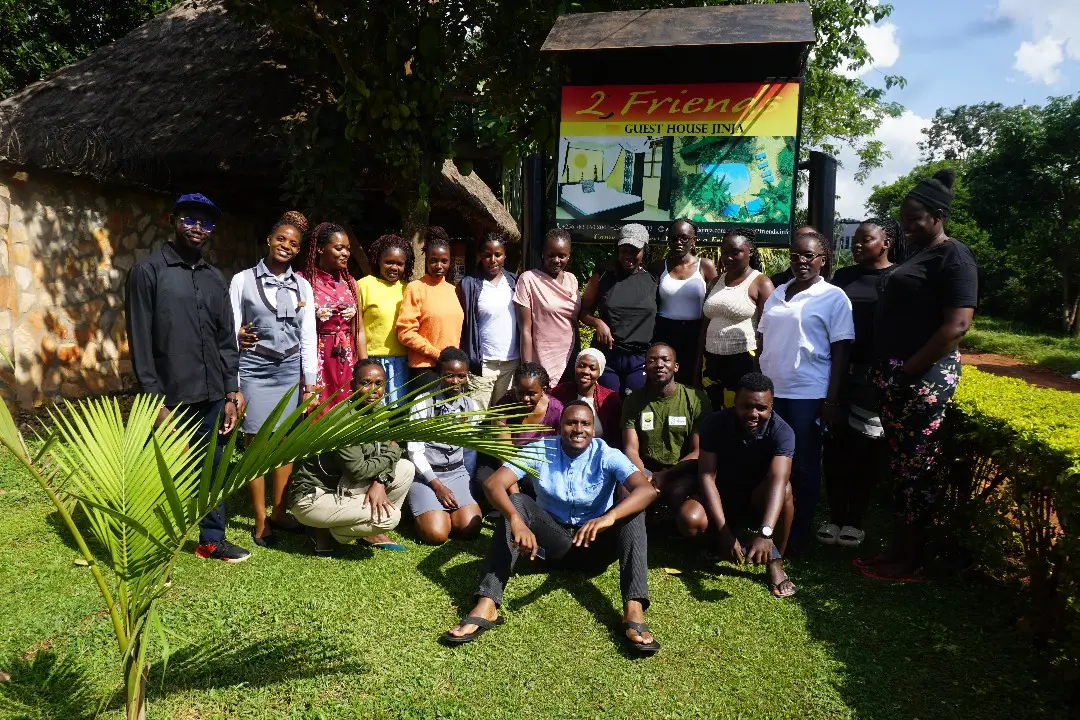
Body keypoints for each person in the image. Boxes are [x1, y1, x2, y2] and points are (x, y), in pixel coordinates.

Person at [442, 401, 661, 654]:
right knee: (516, 501)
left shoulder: (607, 454)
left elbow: (646, 490)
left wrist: (608, 519)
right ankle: (487, 604)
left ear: (593, 429)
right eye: (571, 422)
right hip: (551, 547)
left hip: (595, 546)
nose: (578, 429)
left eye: (585, 424)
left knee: (633, 513)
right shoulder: (540, 450)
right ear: (559, 426)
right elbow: (494, 484)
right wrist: (516, 520)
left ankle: (633, 610)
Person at [861, 169, 978, 582]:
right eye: (904, 220)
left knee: (917, 469)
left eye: (915, 220)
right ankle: (898, 550)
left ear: (939, 216)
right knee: (900, 467)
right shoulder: (917, 255)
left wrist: (907, 371)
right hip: (897, 374)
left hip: (923, 377)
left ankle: (911, 561)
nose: (907, 227)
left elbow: (957, 326)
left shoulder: (954, 257)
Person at [125, 193, 249, 562]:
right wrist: (154, 402)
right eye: (190, 219)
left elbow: (226, 339)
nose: (198, 228)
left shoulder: (214, 278)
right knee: (163, 469)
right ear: (172, 220)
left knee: (214, 465)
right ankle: (150, 541)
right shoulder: (148, 272)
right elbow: (140, 342)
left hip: (214, 393)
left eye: (207, 222)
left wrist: (232, 392)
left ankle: (212, 539)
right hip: (171, 395)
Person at [757, 229, 854, 551]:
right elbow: (763, 337)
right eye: (796, 255)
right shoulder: (778, 292)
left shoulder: (833, 297)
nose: (801, 261)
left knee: (803, 465)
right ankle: (770, 524)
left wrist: (831, 398)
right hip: (772, 392)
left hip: (806, 394)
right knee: (769, 460)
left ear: (823, 261)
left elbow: (841, 350)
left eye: (808, 256)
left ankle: (797, 535)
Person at [229, 211, 317, 547]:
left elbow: (308, 335)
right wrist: (234, 379)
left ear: (298, 250)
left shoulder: (302, 286)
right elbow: (231, 329)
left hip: (289, 371)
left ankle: (281, 511)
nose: (286, 246)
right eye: (281, 239)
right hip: (254, 369)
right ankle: (261, 519)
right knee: (256, 444)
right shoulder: (242, 280)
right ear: (269, 240)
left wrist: (309, 381)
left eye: (293, 243)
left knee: (285, 445)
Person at [818, 220, 896, 548]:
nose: (858, 245)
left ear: (887, 241)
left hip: (873, 376)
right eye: (857, 240)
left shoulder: (898, 279)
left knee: (866, 447)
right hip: (839, 371)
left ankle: (855, 521)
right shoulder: (845, 277)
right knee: (836, 447)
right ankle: (835, 517)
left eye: (867, 239)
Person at [289, 360, 414, 556]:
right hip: (315, 496)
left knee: (406, 468)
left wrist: (381, 481)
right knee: (391, 517)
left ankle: (360, 528)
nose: (373, 390)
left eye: (379, 384)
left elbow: (384, 452)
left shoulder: (379, 411)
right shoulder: (343, 420)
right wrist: (394, 450)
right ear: (352, 385)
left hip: (346, 485)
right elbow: (359, 470)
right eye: (365, 383)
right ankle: (329, 530)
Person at [691, 373, 797, 598]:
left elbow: (779, 480)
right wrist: (723, 532)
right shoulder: (714, 423)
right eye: (745, 406)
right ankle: (718, 544)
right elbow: (706, 477)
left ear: (771, 405)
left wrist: (766, 532)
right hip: (721, 495)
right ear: (734, 402)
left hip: (756, 498)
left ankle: (775, 563)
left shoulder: (782, 432)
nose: (753, 414)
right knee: (690, 520)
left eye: (761, 408)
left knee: (786, 491)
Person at [621, 343, 712, 535]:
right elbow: (631, 449)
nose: (659, 364)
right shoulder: (633, 401)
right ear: (645, 368)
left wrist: (666, 475)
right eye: (652, 360)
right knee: (627, 491)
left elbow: (697, 452)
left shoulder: (696, 400)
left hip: (681, 470)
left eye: (665, 359)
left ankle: (671, 519)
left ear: (676, 366)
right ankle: (641, 528)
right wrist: (643, 477)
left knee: (690, 517)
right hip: (646, 469)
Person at [406, 347, 484, 544]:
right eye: (449, 376)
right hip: (427, 476)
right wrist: (438, 486)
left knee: (470, 527)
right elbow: (415, 451)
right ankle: (423, 511)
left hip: (456, 473)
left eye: (461, 376)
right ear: (439, 375)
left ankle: (445, 512)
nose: (455, 382)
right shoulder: (422, 404)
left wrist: (466, 480)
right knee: (437, 534)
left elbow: (468, 448)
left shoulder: (470, 407)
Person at [698, 228, 774, 409]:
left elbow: (769, 332)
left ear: (750, 252)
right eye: (724, 252)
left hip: (745, 362)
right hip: (712, 362)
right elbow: (705, 326)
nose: (728, 257)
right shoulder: (715, 282)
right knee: (712, 413)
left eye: (735, 252)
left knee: (740, 413)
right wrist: (697, 368)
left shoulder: (761, 283)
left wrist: (759, 372)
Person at [579, 223, 657, 396]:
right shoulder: (603, 276)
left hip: (640, 357)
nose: (628, 255)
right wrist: (597, 322)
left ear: (644, 250)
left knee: (635, 406)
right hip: (608, 355)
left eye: (634, 250)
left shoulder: (654, 278)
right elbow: (583, 312)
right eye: (624, 250)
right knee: (608, 405)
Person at [648, 219, 718, 385]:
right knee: (662, 380)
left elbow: (717, 299)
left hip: (694, 334)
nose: (678, 242)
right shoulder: (659, 267)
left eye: (684, 238)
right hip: (664, 332)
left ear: (693, 241)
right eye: (674, 238)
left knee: (691, 380)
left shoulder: (705, 266)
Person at [396, 227, 464, 389]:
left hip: (451, 369)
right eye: (434, 260)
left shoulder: (452, 289)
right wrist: (437, 354)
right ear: (426, 260)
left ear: (450, 261)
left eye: (444, 261)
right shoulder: (416, 288)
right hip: (425, 369)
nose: (439, 265)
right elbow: (405, 332)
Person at [458, 232, 519, 409]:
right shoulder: (469, 284)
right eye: (487, 255)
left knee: (501, 419)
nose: (492, 260)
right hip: (483, 365)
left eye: (497, 254)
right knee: (475, 417)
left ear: (504, 255)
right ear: (480, 256)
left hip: (511, 363)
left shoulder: (515, 283)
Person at [304, 222, 360, 412]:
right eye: (339, 248)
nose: (345, 253)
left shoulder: (351, 283)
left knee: (346, 408)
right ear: (320, 249)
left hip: (347, 355)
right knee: (317, 410)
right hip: (318, 356)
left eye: (348, 249)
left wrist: (364, 365)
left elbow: (358, 329)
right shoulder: (304, 281)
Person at [515, 229, 579, 388]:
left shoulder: (572, 279)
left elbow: (575, 321)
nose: (556, 260)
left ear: (569, 255)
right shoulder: (528, 279)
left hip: (570, 356)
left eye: (562, 256)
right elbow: (525, 329)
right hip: (543, 360)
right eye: (551, 255)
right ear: (543, 253)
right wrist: (528, 369)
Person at [356, 233, 414, 405]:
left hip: (401, 361)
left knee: (397, 411)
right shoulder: (364, 285)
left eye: (399, 264)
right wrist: (364, 361)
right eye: (389, 262)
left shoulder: (409, 289)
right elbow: (357, 327)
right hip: (372, 360)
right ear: (378, 261)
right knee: (371, 409)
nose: (394, 267)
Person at [551, 348, 623, 449]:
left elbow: (616, 438)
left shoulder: (610, 399)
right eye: (581, 366)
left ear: (600, 372)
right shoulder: (559, 393)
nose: (585, 371)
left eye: (592, 368)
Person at [493, 362, 564, 448]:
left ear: (543, 390)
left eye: (531, 394)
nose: (525, 398)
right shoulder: (504, 406)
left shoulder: (557, 411)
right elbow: (504, 452)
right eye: (520, 392)